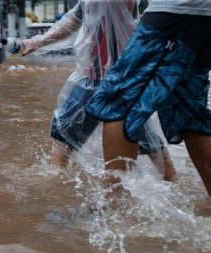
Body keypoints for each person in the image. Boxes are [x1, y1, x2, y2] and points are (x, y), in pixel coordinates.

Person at [84, 0, 211, 202]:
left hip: (176, 10)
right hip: (210, 14)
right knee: (190, 115)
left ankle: (112, 209)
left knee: (119, 101)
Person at [20, 0, 177, 181]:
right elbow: (74, 19)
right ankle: (53, 188)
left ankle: (170, 182)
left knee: (144, 137)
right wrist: (37, 42)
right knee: (64, 131)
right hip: (94, 76)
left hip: (119, 78)